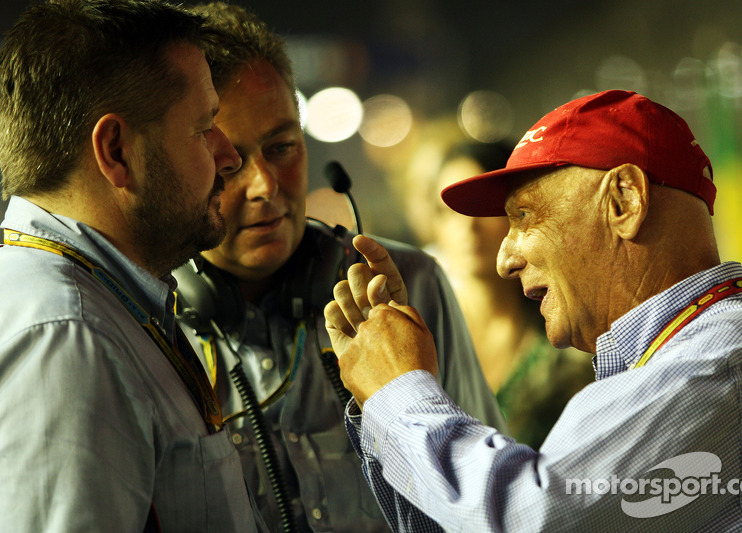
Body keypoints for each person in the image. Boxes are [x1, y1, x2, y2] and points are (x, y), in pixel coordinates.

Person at [325, 90, 742, 531]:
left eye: (525, 218)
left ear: (624, 202)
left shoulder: (714, 365)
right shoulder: (698, 354)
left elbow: (531, 517)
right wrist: (382, 399)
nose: (505, 259)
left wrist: (402, 392)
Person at [173, 3, 507, 532]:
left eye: (283, 147)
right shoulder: (148, 320)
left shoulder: (407, 283)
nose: (266, 185)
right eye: (229, 163)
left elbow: (489, 501)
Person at [0, 1, 265, 531]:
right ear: (116, 151)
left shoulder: (89, 307)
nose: (229, 156)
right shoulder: (68, 337)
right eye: (204, 126)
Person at [427, 141, 594, 448]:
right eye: (450, 211)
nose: (468, 226)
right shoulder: (428, 331)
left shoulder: (565, 337)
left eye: (482, 208)